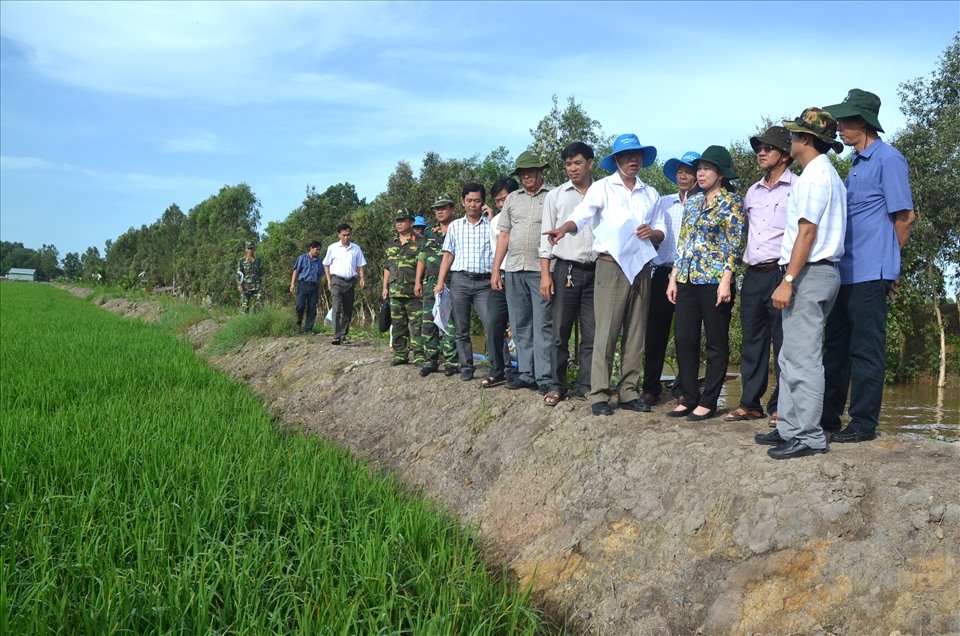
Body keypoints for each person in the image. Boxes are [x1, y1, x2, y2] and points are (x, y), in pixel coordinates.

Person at [543, 133, 664, 417]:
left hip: (642, 266)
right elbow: (583, 214)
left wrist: (653, 233)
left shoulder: (651, 192)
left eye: (637, 156)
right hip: (610, 266)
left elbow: (661, 229)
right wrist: (564, 228)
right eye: (626, 156)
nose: (632, 160)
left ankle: (628, 391)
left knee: (636, 332)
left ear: (642, 160)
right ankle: (598, 392)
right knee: (606, 331)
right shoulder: (603, 188)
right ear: (617, 161)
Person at [820, 89, 915, 443]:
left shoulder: (888, 159)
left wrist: (888, 265)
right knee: (835, 348)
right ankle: (828, 418)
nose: (839, 127)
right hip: (844, 271)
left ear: (861, 121)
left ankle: (862, 423)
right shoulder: (856, 164)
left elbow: (905, 217)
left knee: (866, 350)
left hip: (871, 273)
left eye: (843, 120)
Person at [754, 107, 847, 459]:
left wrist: (788, 279)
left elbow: (807, 232)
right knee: (792, 355)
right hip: (817, 272)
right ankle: (790, 428)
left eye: (793, 135)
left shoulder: (813, 177)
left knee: (803, 358)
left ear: (806, 140)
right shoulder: (825, 174)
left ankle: (808, 436)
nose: (789, 140)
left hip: (809, 272)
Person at [666, 145, 745, 421]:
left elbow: (734, 244)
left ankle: (709, 400)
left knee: (716, 341)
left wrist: (727, 279)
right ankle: (688, 395)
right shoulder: (694, 202)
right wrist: (673, 276)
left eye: (707, 169)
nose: (700, 173)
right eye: (699, 168)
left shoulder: (732, 202)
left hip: (715, 281)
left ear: (721, 174)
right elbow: (683, 242)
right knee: (685, 338)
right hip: (687, 278)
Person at [725, 126, 797, 427]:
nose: (761, 152)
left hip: (781, 273)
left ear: (784, 155)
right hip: (752, 275)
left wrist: (790, 279)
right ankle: (750, 404)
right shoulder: (752, 192)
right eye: (759, 148)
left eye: (768, 148)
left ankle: (782, 406)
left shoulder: (798, 187)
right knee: (752, 342)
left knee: (784, 342)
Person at [539, 142, 596, 406]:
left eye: (577, 163)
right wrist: (545, 275)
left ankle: (586, 385)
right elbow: (546, 238)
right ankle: (557, 385)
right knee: (560, 331)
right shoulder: (556, 195)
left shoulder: (604, 193)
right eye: (568, 164)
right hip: (566, 270)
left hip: (598, 271)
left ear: (590, 163)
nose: (572, 168)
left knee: (592, 333)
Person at [492, 151, 554, 393]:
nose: (526, 175)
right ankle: (526, 373)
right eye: (522, 172)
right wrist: (496, 270)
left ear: (540, 171)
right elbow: (504, 235)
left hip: (542, 270)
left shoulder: (553, 196)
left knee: (543, 325)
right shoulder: (512, 199)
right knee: (520, 325)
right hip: (515, 268)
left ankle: (545, 376)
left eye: (530, 171)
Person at [641, 151, 699, 407]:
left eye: (689, 171)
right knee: (655, 332)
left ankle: (685, 388)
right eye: (679, 171)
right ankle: (651, 387)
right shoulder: (663, 202)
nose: (683, 176)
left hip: (692, 277)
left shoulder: (705, 204)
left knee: (688, 335)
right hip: (663, 273)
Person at [434, 183, 494, 381]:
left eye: (477, 200)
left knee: (492, 324)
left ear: (483, 202)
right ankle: (467, 366)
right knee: (461, 327)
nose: (473, 205)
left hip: (485, 283)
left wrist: (493, 219)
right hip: (460, 281)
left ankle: (498, 366)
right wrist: (440, 281)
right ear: (462, 202)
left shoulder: (491, 226)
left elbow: (500, 248)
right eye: (469, 200)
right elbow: (448, 254)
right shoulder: (455, 226)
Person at [482, 177, 520, 388]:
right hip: (501, 275)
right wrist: (494, 273)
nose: (501, 204)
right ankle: (498, 369)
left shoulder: (526, 217)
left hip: (522, 275)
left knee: (521, 325)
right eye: (497, 201)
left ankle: (525, 370)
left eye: (504, 199)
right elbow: (495, 250)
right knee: (493, 322)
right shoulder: (495, 223)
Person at [415, 194, 459, 377]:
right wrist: (418, 280)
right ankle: (431, 360)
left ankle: (451, 362)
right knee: (428, 322)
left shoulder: (459, 229)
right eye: (437, 208)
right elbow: (422, 257)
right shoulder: (429, 233)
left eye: (444, 207)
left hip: (452, 282)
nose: (440, 211)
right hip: (430, 283)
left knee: (451, 323)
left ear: (452, 209)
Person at [382, 209, 422, 366]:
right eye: (397, 220)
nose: (399, 223)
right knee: (398, 325)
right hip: (395, 291)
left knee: (417, 325)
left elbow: (423, 264)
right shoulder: (392, 244)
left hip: (413, 291)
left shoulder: (420, 241)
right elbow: (387, 267)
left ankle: (419, 355)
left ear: (411, 222)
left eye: (402, 220)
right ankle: (400, 354)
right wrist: (385, 287)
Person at [323, 223, 367, 345]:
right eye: (343, 235)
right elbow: (326, 264)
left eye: (348, 235)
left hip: (350, 281)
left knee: (348, 309)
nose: (346, 237)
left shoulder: (356, 248)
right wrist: (329, 280)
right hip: (336, 281)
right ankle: (336, 335)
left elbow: (360, 265)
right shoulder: (332, 248)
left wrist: (362, 278)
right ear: (338, 235)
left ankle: (343, 334)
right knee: (336, 308)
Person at [289, 240, 323, 334]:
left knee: (312, 308)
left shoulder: (319, 262)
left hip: (314, 287)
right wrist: (292, 284)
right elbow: (296, 271)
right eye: (317, 249)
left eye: (319, 250)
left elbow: (320, 276)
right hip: (303, 285)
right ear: (311, 248)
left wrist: (319, 290)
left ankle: (308, 329)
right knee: (300, 306)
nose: (318, 252)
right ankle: (298, 325)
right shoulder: (302, 258)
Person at [237, 240, 263, 313]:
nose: (250, 250)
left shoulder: (258, 260)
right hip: (246, 287)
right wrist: (239, 285)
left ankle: (256, 321)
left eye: (251, 248)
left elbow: (260, 273)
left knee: (259, 306)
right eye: (248, 248)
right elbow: (239, 274)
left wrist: (260, 284)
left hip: (257, 287)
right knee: (245, 307)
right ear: (245, 249)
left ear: (254, 249)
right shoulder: (242, 261)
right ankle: (245, 323)